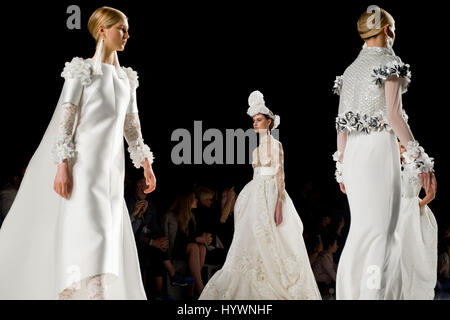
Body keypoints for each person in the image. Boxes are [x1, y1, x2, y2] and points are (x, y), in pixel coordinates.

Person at [0, 6, 156, 299]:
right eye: (121, 29)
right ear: (102, 30)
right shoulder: (81, 71)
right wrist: (62, 165)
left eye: (126, 29)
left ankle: (93, 293)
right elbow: (66, 121)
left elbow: (132, 128)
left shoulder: (127, 80)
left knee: (106, 232)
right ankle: (81, 292)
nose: (126, 34)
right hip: (82, 167)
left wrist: (145, 164)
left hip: (112, 172)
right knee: (88, 230)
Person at [332, 7, 436, 299]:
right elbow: (394, 115)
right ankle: (374, 295)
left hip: (353, 154)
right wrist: (420, 161)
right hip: (378, 151)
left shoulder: (350, 70)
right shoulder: (390, 61)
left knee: (362, 232)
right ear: (387, 30)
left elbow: (341, 124)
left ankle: (351, 294)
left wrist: (341, 167)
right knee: (382, 233)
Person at [199, 90, 321, 299]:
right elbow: (257, 174)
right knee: (251, 238)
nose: (255, 124)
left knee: (274, 238)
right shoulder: (256, 151)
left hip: (271, 194)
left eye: (259, 120)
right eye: (253, 120)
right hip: (255, 195)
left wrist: (279, 204)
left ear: (269, 122)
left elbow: (280, 176)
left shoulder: (276, 145)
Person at [126, 177, 193, 299]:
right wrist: (135, 214)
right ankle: (169, 280)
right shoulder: (128, 202)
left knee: (159, 247)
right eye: (147, 181)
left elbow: (155, 228)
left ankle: (161, 292)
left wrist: (162, 240)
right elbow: (128, 232)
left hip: (145, 242)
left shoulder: (151, 206)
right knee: (153, 249)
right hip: (130, 243)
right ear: (139, 184)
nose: (151, 183)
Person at [163, 191, 211, 298]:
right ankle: (200, 287)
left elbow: (193, 237)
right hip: (174, 251)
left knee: (202, 248)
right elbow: (173, 241)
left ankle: (191, 290)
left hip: (186, 251)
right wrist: (198, 239)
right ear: (187, 201)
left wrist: (203, 238)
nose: (197, 200)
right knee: (194, 247)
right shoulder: (170, 216)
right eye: (194, 198)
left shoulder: (191, 217)